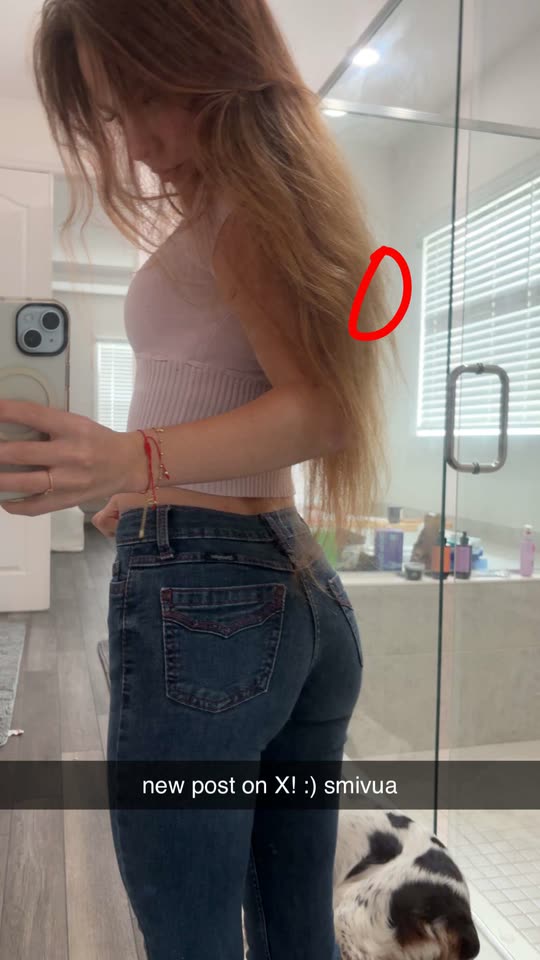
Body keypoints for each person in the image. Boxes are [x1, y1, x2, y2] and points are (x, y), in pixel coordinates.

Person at [31, 1, 399, 957]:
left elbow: (320, 412)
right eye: (114, 115)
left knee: (191, 936)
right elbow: (242, 387)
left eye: (144, 98)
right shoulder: (255, 206)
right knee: (293, 929)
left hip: (210, 601)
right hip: (284, 582)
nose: (135, 143)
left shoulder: (241, 215)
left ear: (212, 62)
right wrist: (138, 487)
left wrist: (136, 458)